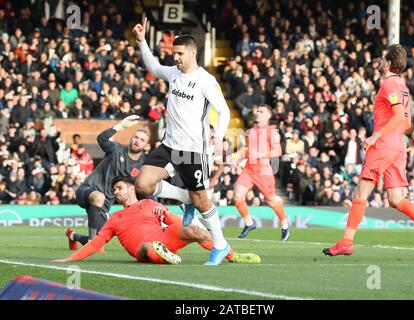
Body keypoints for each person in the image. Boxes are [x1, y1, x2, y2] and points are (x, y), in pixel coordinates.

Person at [323, 44, 414, 256]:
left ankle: (346, 242)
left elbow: (399, 117)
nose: (379, 62)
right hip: (398, 146)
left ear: (388, 62)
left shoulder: (389, 85)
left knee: (360, 192)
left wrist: (376, 136)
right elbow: (406, 123)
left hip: (384, 146)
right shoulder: (403, 86)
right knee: (396, 199)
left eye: (382, 59)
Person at [133, 18, 231, 265]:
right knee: (142, 185)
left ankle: (220, 244)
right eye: (173, 53)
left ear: (192, 52)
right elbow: (155, 68)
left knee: (202, 200)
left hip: (192, 151)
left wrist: (218, 134)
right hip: (169, 145)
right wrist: (142, 42)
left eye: (179, 53)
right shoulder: (173, 73)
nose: (174, 57)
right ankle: (185, 197)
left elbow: (224, 111)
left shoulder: (206, 81)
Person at [54, 176, 261, 264]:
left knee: (196, 231)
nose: (116, 192)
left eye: (119, 188)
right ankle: (164, 255)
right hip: (144, 248)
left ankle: (232, 255)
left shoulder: (150, 204)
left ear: (131, 188)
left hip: (164, 237)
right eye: (114, 190)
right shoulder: (114, 217)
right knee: (146, 248)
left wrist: (188, 229)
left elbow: (173, 219)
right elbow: (97, 243)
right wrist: (71, 259)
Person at [67, 115, 192, 250]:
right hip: (88, 190)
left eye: (142, 140)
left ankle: (73, 236)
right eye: (136, 137)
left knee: (103, 237)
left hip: (105, 204)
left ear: (146, 146)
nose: (138, 141)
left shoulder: (143, 166)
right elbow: (101, 139)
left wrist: (156, 208)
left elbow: (146, 192)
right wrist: (120, 126)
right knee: (98, 199)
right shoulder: (117, 150)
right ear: (131, 138)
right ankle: (92, 241)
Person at [233, 104, 289, 241]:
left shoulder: (272, 131)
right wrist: (242, 156)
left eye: (261, 111)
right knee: (237, 196)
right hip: (249, 169)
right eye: (257, 110)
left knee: (270, 200)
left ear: (268, 115)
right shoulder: (251, 131)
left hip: (263, 171)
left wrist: (260, 154)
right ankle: (249, 223)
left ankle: (285, 225)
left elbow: (278, 151)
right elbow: (250, 150)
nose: (257, 112)